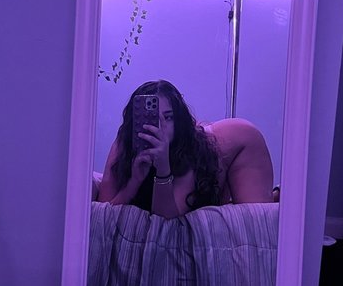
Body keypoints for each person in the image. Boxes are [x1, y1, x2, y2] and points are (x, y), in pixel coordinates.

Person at [98, 80, 274, 218]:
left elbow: (167, 220)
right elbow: (101, 215)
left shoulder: (189, 147)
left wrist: (163, 167)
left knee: (254, 219)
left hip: (239, 145)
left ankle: (277, 196)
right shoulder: (123, 144)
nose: (160, 126)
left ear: (179, 122)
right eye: (152, 118)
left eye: (168, 118)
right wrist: (133, 183)